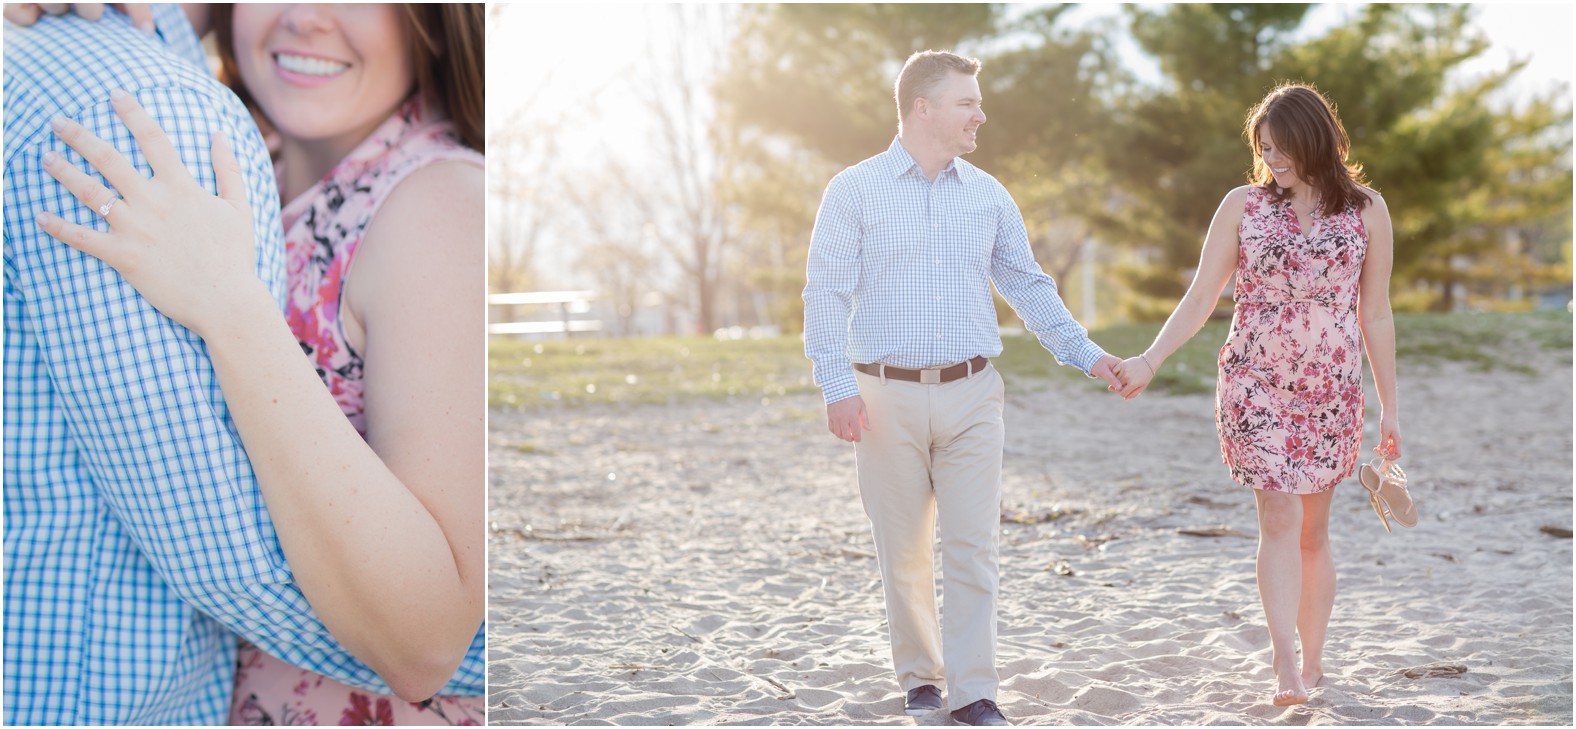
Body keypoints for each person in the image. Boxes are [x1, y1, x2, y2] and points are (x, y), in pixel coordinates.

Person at [22, 3, 486, 724]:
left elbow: (427, 642)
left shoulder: (440, 206)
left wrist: (230, 305)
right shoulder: (247, 166)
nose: (305, 17)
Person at [802, 50, 1123, 727]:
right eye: (967, 102)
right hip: (881, 395)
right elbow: (825, 294)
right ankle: (921, 676)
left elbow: (1029, 286)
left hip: (974, 392)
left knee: (974, 546)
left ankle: (975, 690)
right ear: (923, 107)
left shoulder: (988, 194)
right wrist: (835, 383)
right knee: (905, 548)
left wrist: (1088, 355)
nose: (981, 113)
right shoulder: (854, 190)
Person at [1112, 82, 1402, 706]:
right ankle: (1284, 666)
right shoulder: (1243, 205)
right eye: (1264, 148)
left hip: (1332, 389)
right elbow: (1201, 296)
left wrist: (1391, 408)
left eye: (1283, 148)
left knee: (1313, 532)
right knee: (1278, 516)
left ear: (1316, 141)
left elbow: (1376, 314)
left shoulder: (1367, 209)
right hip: (1256, 382)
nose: (1272, 160)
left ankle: (1315, 657)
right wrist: (1150, 359)